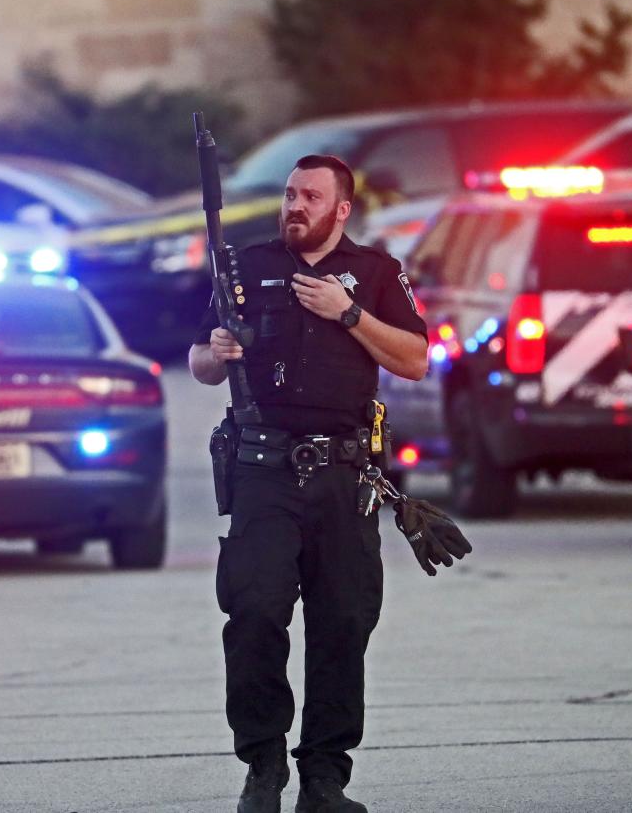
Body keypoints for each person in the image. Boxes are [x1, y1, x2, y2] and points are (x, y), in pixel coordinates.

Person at [188, 154, 428, 813]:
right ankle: (263, 765)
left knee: (343, 624)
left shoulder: (378, 273)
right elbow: (199, 362)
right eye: (291, 194)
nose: (296, 206)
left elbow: (413, 358)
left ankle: (324, 780)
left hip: (344, 475)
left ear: (341, 209)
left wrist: (347, 313)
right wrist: (218, 351)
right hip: (262, 472)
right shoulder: (248, 266)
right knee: (256, 612)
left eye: (311, 197)